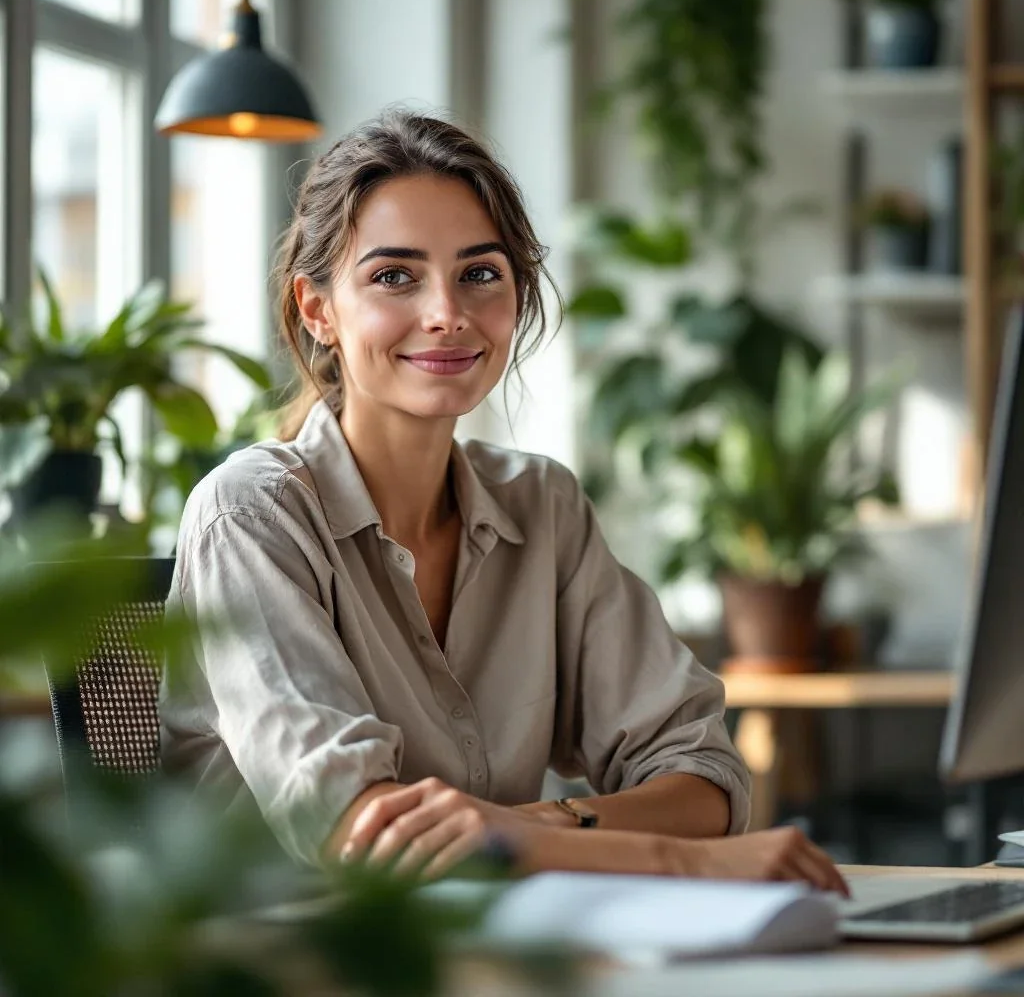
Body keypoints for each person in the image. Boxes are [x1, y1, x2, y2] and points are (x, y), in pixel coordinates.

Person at [160, 110, 847, 895]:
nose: (447, 311)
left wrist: (539, 826)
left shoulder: (542, 505)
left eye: (480, 273)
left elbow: (706, 778)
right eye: (394, 276)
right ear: (318, 310)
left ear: (516, 296)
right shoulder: (251, 514)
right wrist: (671, 855)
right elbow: (363, 833)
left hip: (492, 944)